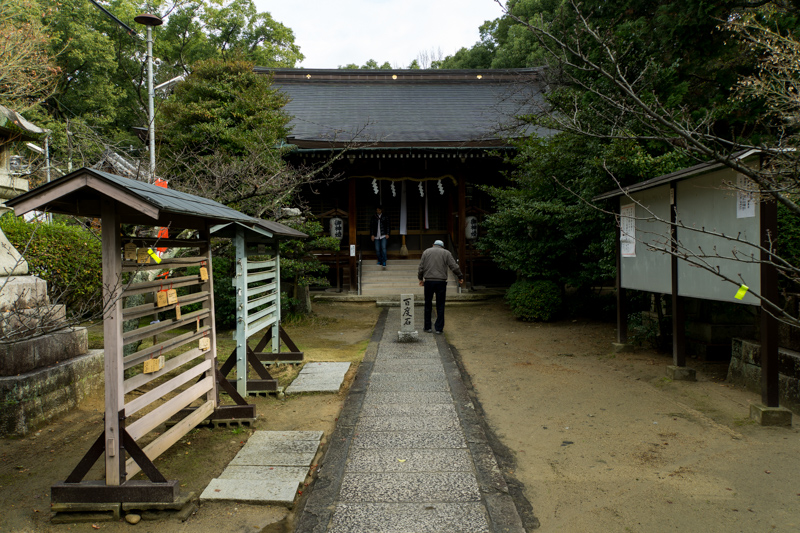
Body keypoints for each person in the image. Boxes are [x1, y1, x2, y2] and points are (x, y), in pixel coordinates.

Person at [418, 240, 464, 334]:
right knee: (440, 304)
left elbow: (421, 267)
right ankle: (439, 328)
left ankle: (427, 327)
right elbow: (454, 266)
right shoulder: (446, 253)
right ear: (442, 246)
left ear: (433, 245)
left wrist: (420, 278)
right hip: (441, 282)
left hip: (429, 281)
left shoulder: (426, 252)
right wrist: (460, 276)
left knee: (428, 304)